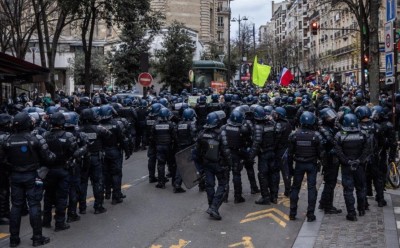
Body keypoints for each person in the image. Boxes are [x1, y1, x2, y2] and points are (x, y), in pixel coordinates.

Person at [0, 112, 55, 247]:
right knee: (34, 205)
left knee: (16, 206)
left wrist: (12, 167)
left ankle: (14, 239)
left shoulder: (7, 140)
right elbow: (49, 158)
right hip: (32, 176)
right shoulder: (36, 139)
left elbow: (2, 160)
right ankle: (37, 238)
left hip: (15, 176)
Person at [42, 112, 78, 231]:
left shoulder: (45, 135)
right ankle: (59, 223)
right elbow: (74, 152)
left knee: (48, 196)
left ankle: (46, 221)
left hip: (49, 171)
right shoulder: (68, 136)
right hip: (63, 170)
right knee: (61, 197)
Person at [288, 111, 324, 222]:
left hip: (299, 163)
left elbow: (290, 153)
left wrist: (290, 169)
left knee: (295, 188)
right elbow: (321, 153)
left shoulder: (294, 134)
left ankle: (292, 213)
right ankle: (310, 214)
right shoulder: (316, 135)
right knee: (311, 189)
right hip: (312, 164)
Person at [334, 113, 369, 221]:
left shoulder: (340, 135)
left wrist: (347, 161)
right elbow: (367, 149)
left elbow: (338, 151)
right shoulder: (363, 133)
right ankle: (361, 209)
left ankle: (351, 213)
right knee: (361, 188)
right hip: (359, 165)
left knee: (348, 190)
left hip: (347, 166)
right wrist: (359, 160)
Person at [197, 111, 229, 220]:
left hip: (207, 163)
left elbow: (197, 151)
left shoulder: (201, 134)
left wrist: (199, 167)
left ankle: (211, 206)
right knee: (223, 185)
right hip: (219, 164)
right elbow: (226, 151)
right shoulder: (221, 133)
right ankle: (214, 207)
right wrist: (230, 163)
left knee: (209, 185)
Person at [79, 109, 111, 214]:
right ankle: (98, 206)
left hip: (83, 159)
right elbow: (108, 135)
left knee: (82, 183)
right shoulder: (99, 129)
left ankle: (82, 208)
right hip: (95, 158)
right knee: (97, 182)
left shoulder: (79, 130)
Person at [99, 105, 130, 204]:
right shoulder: (116, 124)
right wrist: (127, 151)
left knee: (105, 174)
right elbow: (122, 139)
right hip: (114, 151)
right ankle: (116, 196)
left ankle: (107, 193)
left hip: (103, 152)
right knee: (116, 174)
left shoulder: (98, 126)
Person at [318, 108, 342, 214]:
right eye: (329, 117)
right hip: (330, 159)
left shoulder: (329, 127)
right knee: (330, 183)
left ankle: (323, 202)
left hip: (330, 158)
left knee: (329, 182)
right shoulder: (324, 129)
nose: (332, 118)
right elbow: (332, 141)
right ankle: (328, 206)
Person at [150, 108, 178, 189]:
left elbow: (152, 137)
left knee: (160, 164)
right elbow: (174, 137)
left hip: (159, 146)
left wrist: (154, 146)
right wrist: (176, 146)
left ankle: (161, 182)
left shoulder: (155, 125)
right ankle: (174, 182)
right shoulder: (170, 125)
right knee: (172, 164)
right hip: (168, 147)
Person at [174, 108, 198, 193]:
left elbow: (175, 135)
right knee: (197, 164)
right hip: (190, 147)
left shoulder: (179, 124)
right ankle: (201, 184)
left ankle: (177, 184)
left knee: (181, 166)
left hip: (181, 147)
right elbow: (194, 136)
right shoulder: (192, 124)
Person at [0, 114, 12, 225]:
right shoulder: (6, 137)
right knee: (3, 192)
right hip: (3, 169)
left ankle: (5, 213)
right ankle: (3, 215)